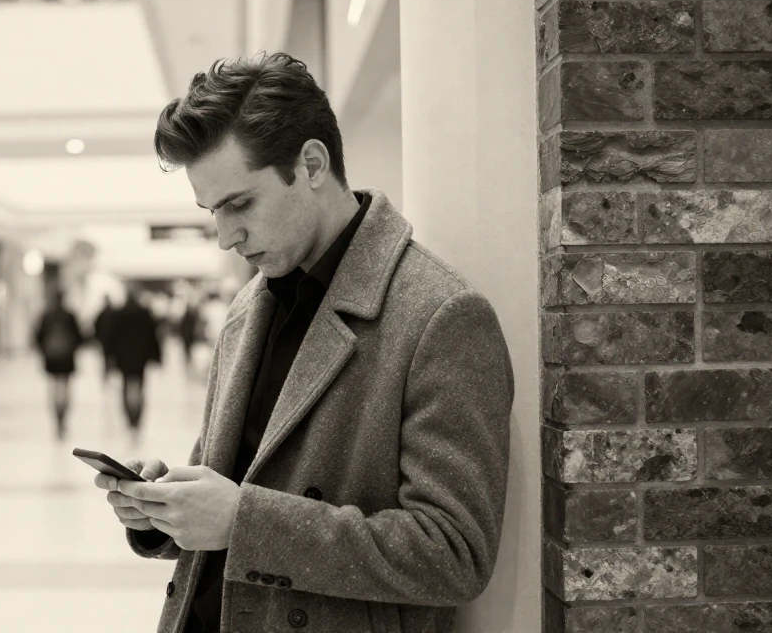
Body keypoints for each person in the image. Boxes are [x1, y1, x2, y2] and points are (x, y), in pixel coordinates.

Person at [93, 52, 514, 633]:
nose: (224, 237)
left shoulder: (439, 316)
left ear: (312, 163)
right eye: (212, 211)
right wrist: (164, 508)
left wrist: (245, 522)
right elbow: (226, 488)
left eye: (240, 203)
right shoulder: (249, 306)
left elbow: (453, 553)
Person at [108, 286, 162, 444]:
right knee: (139, 387)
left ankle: (130, 420)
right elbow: (153, 336)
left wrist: (110, 358)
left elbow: (111, 338)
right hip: (140, 357)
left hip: (123, 358)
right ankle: (137, 419)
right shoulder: (144, 313)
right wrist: (156, 356)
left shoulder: (118, 314)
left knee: (126, 388)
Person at [34, 289, 83, 441]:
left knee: (54, 387)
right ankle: (64, 417)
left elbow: (38, 337)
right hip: (67, 357)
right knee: (66, 387)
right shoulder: (70, 316)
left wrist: (45, 351)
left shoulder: (46, 316)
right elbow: (79, 337)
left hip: (52, 358)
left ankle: (57, 417)